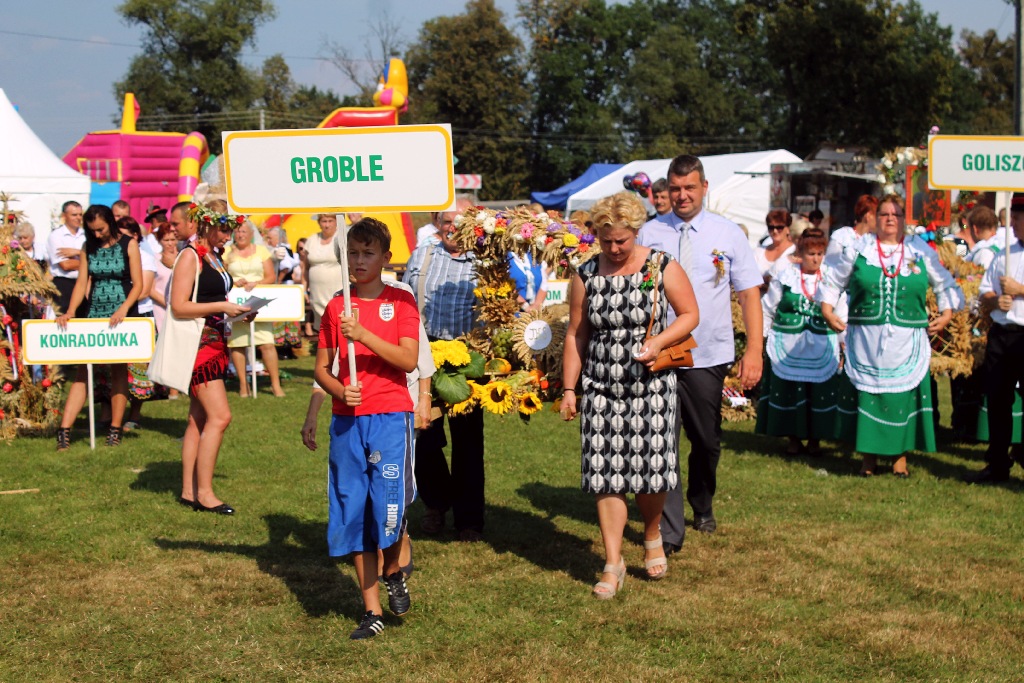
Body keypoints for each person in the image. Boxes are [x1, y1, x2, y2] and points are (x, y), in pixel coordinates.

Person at [561, 192, 698, 598]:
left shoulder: (660, 266)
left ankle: (652, 533)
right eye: (606, 241)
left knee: (651, 471)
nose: (614, 248)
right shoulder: (584, 273)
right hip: (601, 388)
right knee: (606, 476)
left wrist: (658, 342)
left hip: (651, 385)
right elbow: (576, 333)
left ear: (635, 232)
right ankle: (612, 561)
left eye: (621, 240)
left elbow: (690, 314)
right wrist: (570, 388)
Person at [637, 154, 763, 552]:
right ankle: (671, 531)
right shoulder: (650, 233)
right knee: (663, 440)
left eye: (690, 187)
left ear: (704, 188)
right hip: (659, 352)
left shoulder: (727, 233)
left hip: (708, 352)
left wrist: (754, 350)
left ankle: (702, 501)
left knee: (706, 440)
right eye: (674, 189)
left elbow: (748, 293)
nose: (682, 195)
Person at [313, 217, 420, 640]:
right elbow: (321, 368)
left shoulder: (401, 301)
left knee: (387, 509)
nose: (358, 261)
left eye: (367, 253)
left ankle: (394, 568)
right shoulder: (337, 305)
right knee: (352, 510)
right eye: (352, 253)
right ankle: (371, 610)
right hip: (347, 420)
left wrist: (363, 334)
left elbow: (408, 359)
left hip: (391, 416)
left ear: (385, 258)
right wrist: (339, 387)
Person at [818, 194, 963, 478]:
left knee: (901, 397)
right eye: (884, 213)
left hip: (907, 337)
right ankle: (868, 459)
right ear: (875, 218)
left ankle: (900, 459)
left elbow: (944, 281)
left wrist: (946, 313)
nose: (889, 219)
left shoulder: (919, 250)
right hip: (866, 337)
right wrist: (827, 309)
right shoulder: (861, 248)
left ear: (904, 219)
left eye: (896, 214)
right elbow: (834, 278)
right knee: (870, 393)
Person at [402, 196, 486, 541]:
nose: (452, 228)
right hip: (426, 356)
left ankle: (469, 519)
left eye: (460, 221)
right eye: (447, 220)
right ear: (438, 222)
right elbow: (406, 300)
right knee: (423, 436)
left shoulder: (486, 260)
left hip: (470, 358)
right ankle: (436, 504)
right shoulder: (423, 254)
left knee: (467, 442)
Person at [168, 203, 254, 514]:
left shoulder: (213, 256)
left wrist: (237, 312)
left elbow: (209, 301)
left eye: (231, 229)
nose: (228, 236)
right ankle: (204, 493)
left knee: (198, 420)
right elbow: (178, 305)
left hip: (215, 340)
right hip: (198, 345)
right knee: (220, 417)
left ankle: (189, 492)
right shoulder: (191, 256)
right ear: (206, 225)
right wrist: (222, 306)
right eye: (223, 229)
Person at [54, 205, 143, 450]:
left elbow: (138, 284)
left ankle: (115, 429)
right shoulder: (87, 247)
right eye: (91, 230)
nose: (96, 235)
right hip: (95, 311)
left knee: (118, 370)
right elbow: (82, 282)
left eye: (101, 229)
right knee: (83, 372)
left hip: (121, 312)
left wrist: (124, 309)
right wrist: (71, 311)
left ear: (110, 225)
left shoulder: (129, 244)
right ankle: (64, 431)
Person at [756, 228, 852, 455]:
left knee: (818, 392)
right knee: (792, 391)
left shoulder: (831, 278)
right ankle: (794, 438)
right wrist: (762, 338)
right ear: (800, 253)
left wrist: (842, 341)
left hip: (821, 344)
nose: (816, 258)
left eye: (820, 253)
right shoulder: (786, 276)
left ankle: (816, 439)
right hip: (788, 343)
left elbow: (840, 312)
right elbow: (768, 307)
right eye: (811, 254)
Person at [968, 195, 1024, 483]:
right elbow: (984, 292)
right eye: (1012, 217)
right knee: (998, 399)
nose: (1012, 224)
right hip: (1003, 334)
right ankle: (997, 462)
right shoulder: (1004, 252)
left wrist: (1019, 289)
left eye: (1017, 218)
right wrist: (995, 299)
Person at [223, 220, 285, 397]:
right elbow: (223, 275)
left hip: (259, 301)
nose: (241, 234)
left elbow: (270, 276)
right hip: (236, 301)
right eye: (238, 231)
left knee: (266, 342)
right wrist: (235, 282)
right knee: (238, 343)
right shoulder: (227, 252)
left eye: (244, 231)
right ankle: (243, 385)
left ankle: (275, 384)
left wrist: (255, 283)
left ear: (251, 234)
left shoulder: (261, 251)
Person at [117, 216, 158, 429]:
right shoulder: (113, 254)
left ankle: (134, 415)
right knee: (113, 367)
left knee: (138, 368)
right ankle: (110, 415)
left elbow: (144, 290)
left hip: (139, 315)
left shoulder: (145, 257)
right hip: (116, 315)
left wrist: (119, 303)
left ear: (135, 236)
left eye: (125, 235)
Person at [150, 221, 181, 400]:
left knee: (178, 347)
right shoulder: (154, 259)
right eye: (166, 239)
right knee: (163, 348)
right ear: (160, 241)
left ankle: (176, 388)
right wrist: (169, 303)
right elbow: (151, 288)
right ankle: (165, 388)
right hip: (161, 307)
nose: (170, 243)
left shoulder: (185, 256)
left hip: (180, 307)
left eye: (173, 239)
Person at [301, 213, 343, 335]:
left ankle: (341, 351)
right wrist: (304, 289)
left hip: (337, 288)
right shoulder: (312, 240)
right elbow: (305, 268)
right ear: (319, 222)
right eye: (324, 221)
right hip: (317, 291)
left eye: (330, 221)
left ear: (336, 222)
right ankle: (326, 350)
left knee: (338, 320)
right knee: (323, 324)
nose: (327, 225)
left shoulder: (342, 238)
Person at [47, 201, 86, 315]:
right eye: (74, 215)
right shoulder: (56, 236)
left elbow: (96, 258)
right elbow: (65, 265)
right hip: (64, 284)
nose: (78, 218)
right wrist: (87, 259)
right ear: (64, 216)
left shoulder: (86, 235)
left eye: (80, 214)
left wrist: (78, 253)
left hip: (84, 281)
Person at [826, 195, 878, 265]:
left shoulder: (876, 240)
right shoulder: (842, 235)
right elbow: (830, 263)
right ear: (868, 216)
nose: (880, 220)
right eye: (877, 216)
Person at [754, 209, 796, 287]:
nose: (775, 231)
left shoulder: (795, 251)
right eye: (771, 227)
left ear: (788, 229)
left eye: (779, 227)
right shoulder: (758, 252)